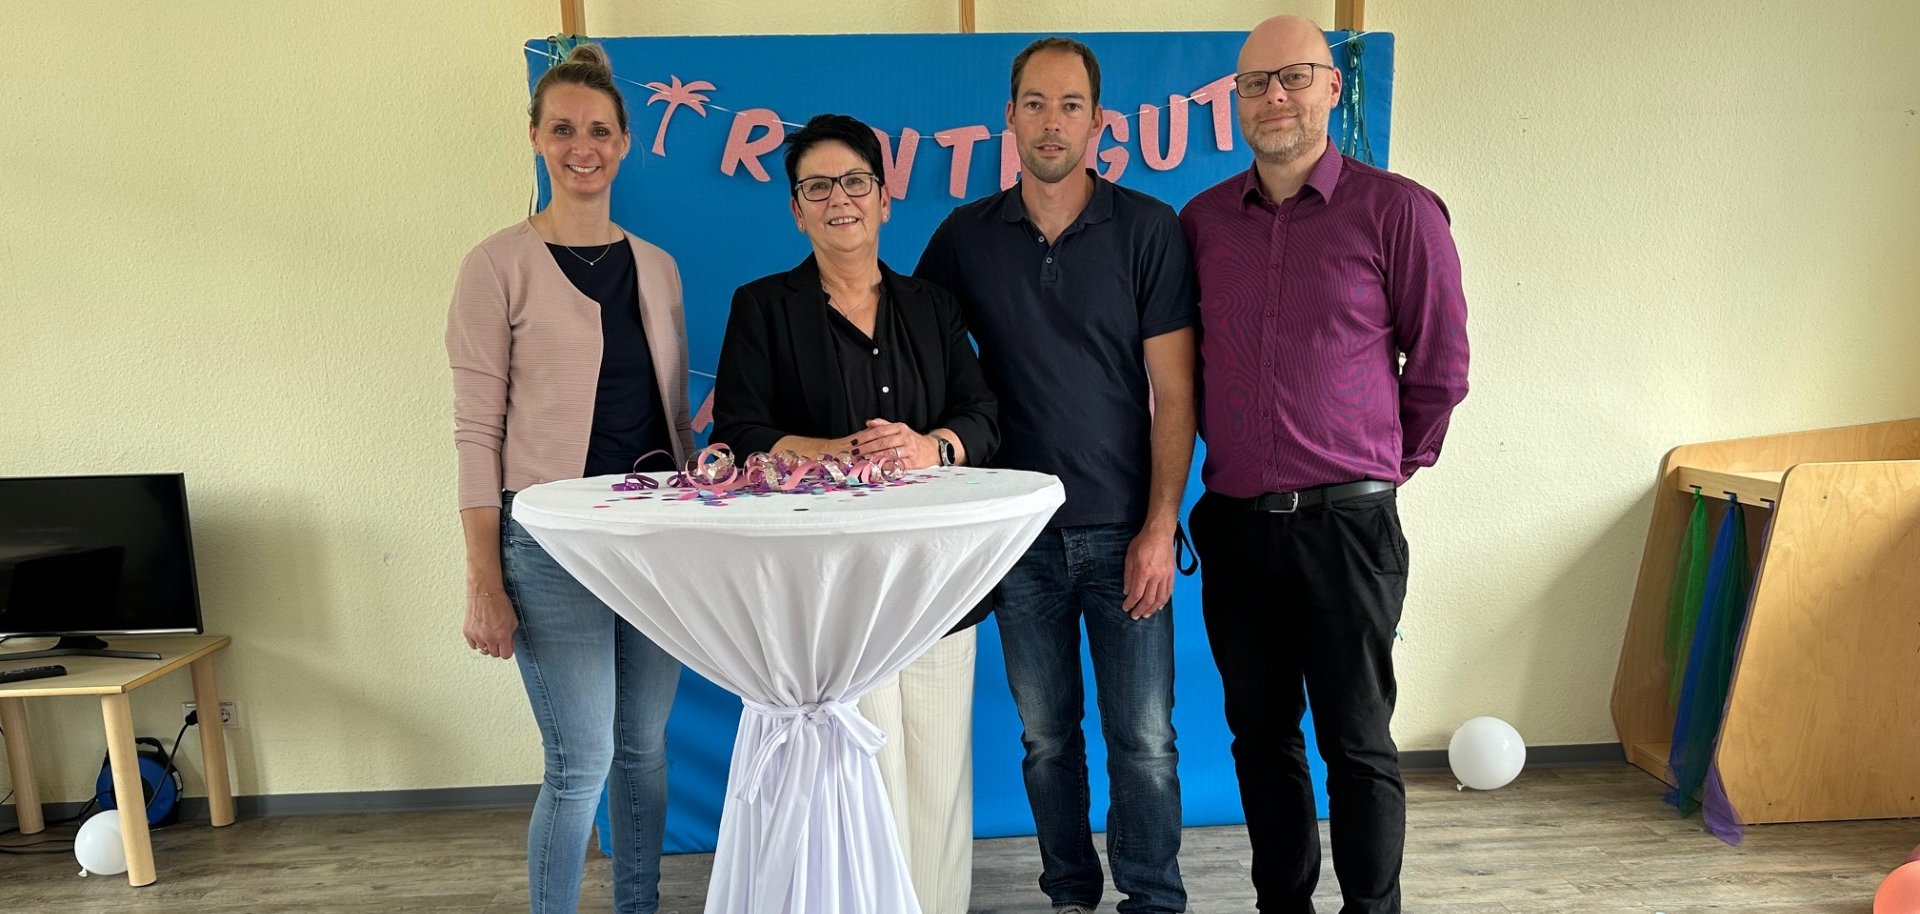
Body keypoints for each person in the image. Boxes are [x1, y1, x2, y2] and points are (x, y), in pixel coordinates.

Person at [1178, 15, 1471, 914]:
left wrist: (1378, 469)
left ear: (1333, 88)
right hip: (1236, 528)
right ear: (1236, 100)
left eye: (1295, 76)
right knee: (1260, 740)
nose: (1275, 96)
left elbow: (1441, 366)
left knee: (1357, 743)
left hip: (1349, 528)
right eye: (1255, 83)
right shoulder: (1202, 224)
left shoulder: (1398, 211)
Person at [914, 37, 1197, 914]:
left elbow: (1175, 394)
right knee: (1046, 740)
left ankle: (1153, 899)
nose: (1051, 122)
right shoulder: (965, 238)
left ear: (1097, 121)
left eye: (1070, 105)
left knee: (1144, 741)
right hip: (1017, 536)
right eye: (1035, 103)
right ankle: (1070, 894)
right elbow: (910, 351)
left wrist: (1160, 526)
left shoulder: (1147, 229)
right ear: (1009, 117)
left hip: (1126, 531)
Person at [710, 113, 1000, 914]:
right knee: (863, 781)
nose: (839, 199)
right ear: (796, 210)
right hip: (832, 593)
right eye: (817, 187)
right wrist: (837, 451)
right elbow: (738, 434)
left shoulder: (934, 307)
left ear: (883, 198)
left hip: (940, 583)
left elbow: (983, 415)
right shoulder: (762, 308)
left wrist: (931, 446)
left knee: (939, 780)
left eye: (854, 182)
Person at [444, 43, 694, 914]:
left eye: (598, 131)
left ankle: (639, 906)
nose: (581, 147)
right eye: (562, 130)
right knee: (580, 760)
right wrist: (484, 578)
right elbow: (476, 434)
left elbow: (673, 417)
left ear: (624, 142)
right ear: (535, 138)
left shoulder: (659, 267)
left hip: (655, 537)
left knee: (644, 751)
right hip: (549, 544)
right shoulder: (495, 266)